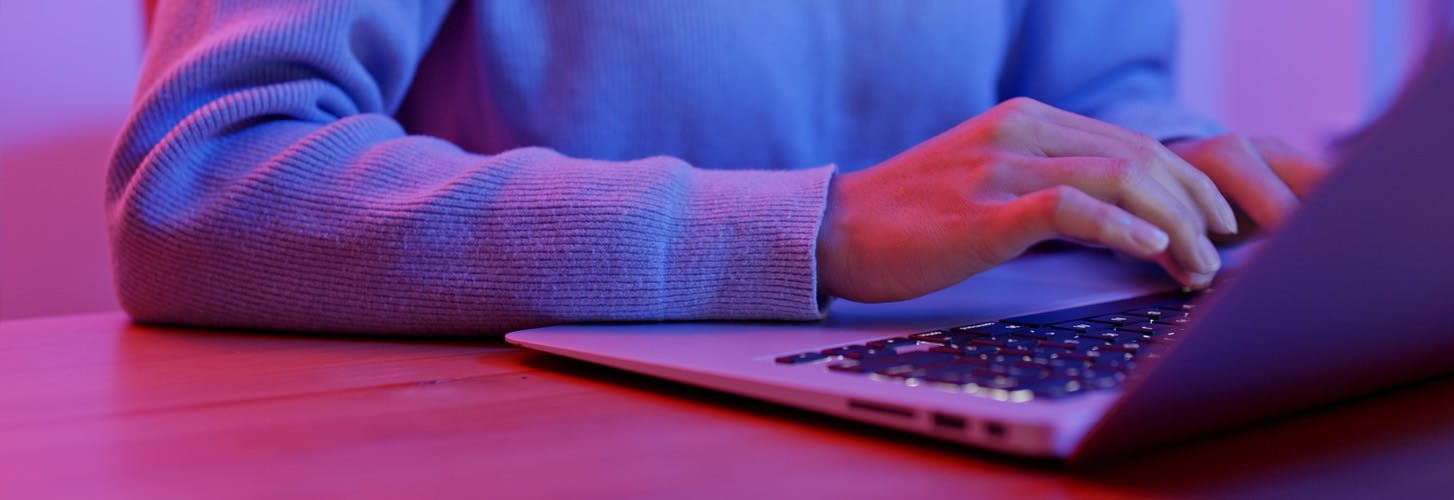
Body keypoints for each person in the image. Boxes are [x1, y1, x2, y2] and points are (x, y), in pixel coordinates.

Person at [110, 1, 1324, 335]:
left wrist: (1168, 173)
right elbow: (209, 177)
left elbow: (1098, 89)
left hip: (954, 400)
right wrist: (816, 228)